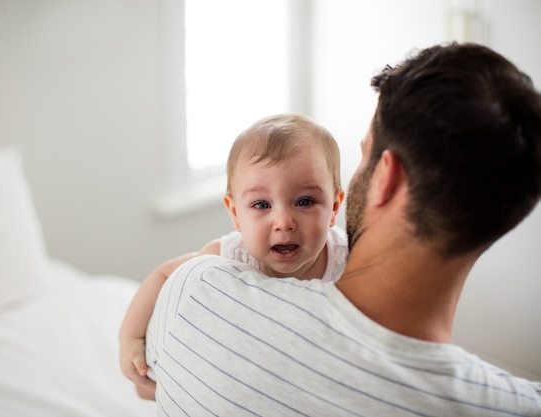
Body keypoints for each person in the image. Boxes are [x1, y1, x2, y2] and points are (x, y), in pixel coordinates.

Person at [136, 42, 541, 416]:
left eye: (364, 153)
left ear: (387, 178)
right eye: (261, 204)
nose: (284, 221)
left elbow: (145, 375)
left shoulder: (195, 292)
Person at [119, 113, 347, 398]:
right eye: (261, 204)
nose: (284, 222)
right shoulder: (226, 258)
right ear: (235, 213)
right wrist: (130, 339)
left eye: (304, 201)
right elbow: (164, 275)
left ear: (334, 207)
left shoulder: (347, 258)